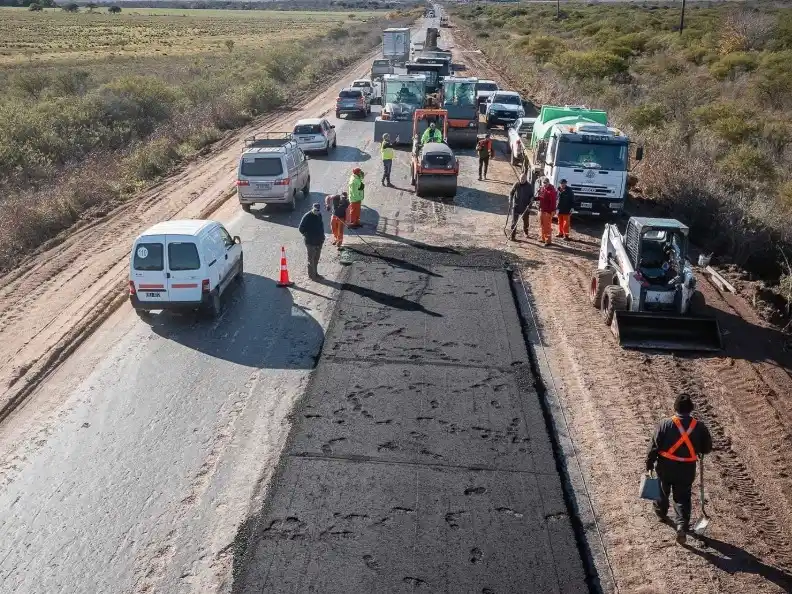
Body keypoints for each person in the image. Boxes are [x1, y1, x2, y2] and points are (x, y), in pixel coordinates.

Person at [646, 393, 713, 545]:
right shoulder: (699, 426)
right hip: (687, 469)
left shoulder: (664, 424)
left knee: (662, 490)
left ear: (675, 407)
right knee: (682, 497)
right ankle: (682, 525)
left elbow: (654, 446)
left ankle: (661, 513)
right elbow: (707, 448)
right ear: (691, 408)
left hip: (665, 466)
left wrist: (649, 463)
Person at [298, 202, 325, 280]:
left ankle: (315, 273)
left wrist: (322, 236)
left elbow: (321, 226)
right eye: (315, 210)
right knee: (311, 259)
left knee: (316, 258)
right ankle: (312, 276)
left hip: (319, 241)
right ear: (312, 209)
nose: (317, 211)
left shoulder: (319, 215)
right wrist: (307, 235)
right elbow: (301, 228)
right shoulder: (307, 216)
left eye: (318, 210)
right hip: (310, 242)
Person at [508, 170, 532, 241]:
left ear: (526, 179)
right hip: (516, 206)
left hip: (525, 207)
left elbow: (531, 196)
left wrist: (530, 206)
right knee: (514, 222)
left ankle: (526, 232)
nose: (522, 180)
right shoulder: (516, 184)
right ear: (519, 178)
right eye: (521, 179)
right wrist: (510, 200)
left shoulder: (529, 186)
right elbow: (511, 193)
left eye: (523, 179)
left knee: (526, 221)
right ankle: (512, 236)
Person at [537, 178, 557, 246]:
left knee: (547, 226)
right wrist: (535, 198)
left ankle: (548, 241)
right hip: (541, 210)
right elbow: (540, 197)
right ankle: (542, 238)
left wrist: (552, 211)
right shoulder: (542, 189)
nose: (544, 184)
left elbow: (553, 202)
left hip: (547, 211)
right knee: (541, 225)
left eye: (546, 183)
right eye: (544, 183)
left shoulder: (552, 191)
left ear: (548, 183)